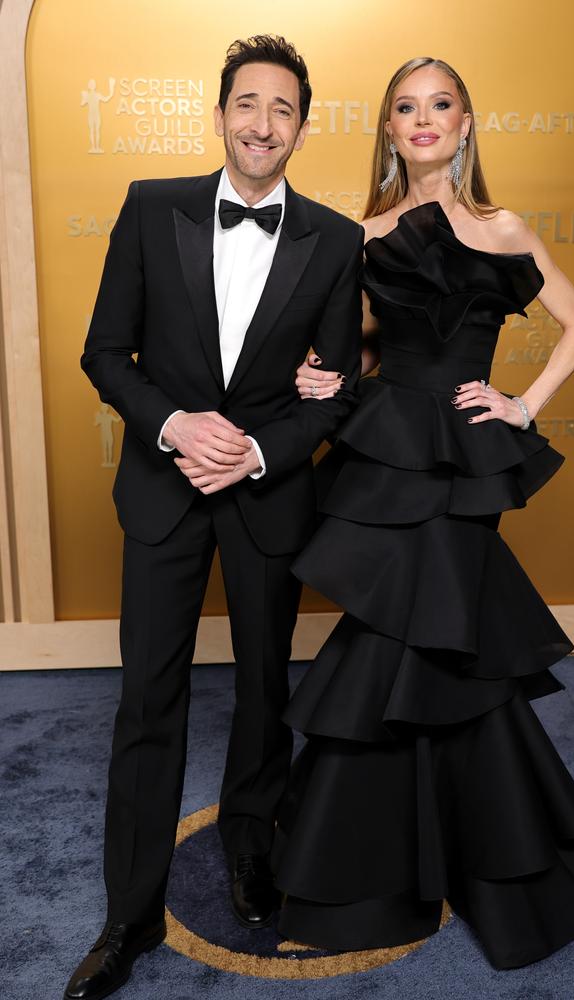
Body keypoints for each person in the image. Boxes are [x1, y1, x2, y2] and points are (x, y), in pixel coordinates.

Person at [271, 56, 574, 968]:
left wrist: (523, 403)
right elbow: (350, 352)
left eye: (440, 105)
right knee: (403, 644)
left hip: (462, 458)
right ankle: (407, 857)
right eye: (405, 108)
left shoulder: (501, 226)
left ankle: (477, 864)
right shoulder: (361, 231)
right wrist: (323, 375)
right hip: (390, 451)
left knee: (436, 649)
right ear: (388, 130)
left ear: (466, 124)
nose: (423, 120)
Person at [64, 35, 363, 1000]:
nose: (262, 123)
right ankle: (130, 914)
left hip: (268, 494)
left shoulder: (335, 238)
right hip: (162, 492)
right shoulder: (153, 208)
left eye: (283, 109)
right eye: (247, 103)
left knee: (267, 690)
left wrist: (265, 449)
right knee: (148, 699)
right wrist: (176, 425)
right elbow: (105, 355)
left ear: (302, 128)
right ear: (222, 111)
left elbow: (332, 388)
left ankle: (249, 854)